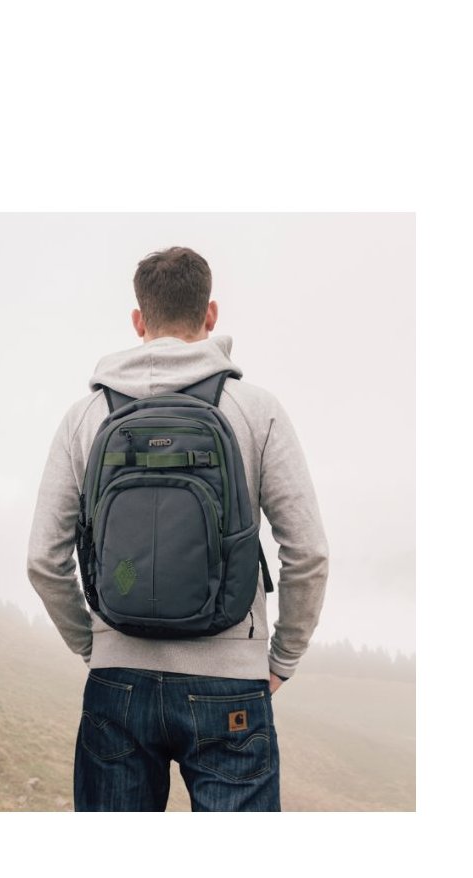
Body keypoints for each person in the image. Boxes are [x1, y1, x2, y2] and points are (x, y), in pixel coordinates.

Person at [27, 247, 328, 812]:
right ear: (210, 314)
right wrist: (281, 661)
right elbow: (307, 552)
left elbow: (44, 559)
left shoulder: (84, 416)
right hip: (230, 681)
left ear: (138, 320)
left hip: (116, 678)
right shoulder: (256, 409)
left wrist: (95, 646)